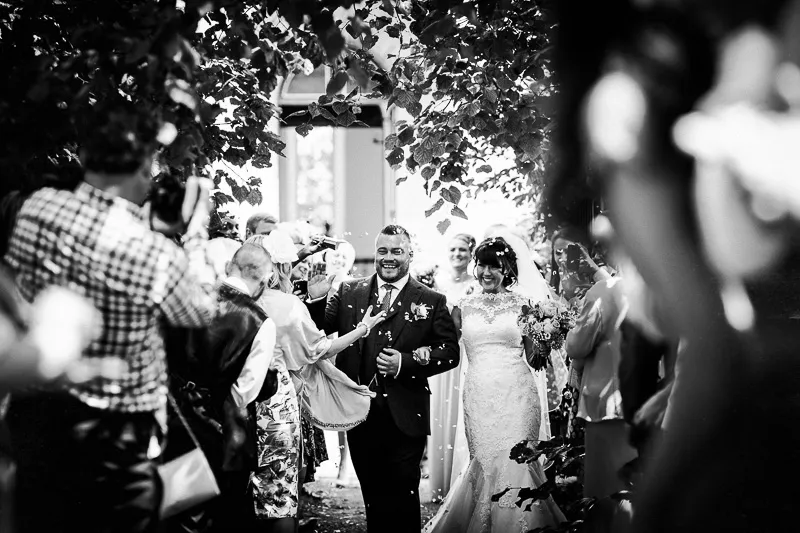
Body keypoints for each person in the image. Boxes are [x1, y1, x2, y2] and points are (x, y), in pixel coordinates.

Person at [3, 100, 217, 533]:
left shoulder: (36, 208)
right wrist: (194, 234)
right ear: (143, 167)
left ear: (86, 157)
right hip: (115, 441)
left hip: (34, 419)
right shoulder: (154, 255)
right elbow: (199, 311)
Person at [306, 224, 460, 533]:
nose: (388, 258)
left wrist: (405, 362)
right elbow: (317, 326)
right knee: (373, 497)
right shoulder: (351, 290)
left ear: (409, 255)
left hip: (407, 412)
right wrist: (316, 298)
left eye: (396, 251)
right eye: (383, 251)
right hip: (359, 412)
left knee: (403, 494)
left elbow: (449, 351)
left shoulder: (431, 299)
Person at [246, 231, 386, 533]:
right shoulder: (287, 305)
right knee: (279, 494)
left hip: (236, 399)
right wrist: (363, 327)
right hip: (275, 405)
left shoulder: (230, 301)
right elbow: (320, 349)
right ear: (279, 267)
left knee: (242, 490)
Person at [423, 237, 564, 533]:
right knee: (485, 461)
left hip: (518, 395)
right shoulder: (463, 307)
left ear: (507, 269)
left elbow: (535, 359)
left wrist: (546, 335)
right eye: (482, 265)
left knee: (517, 461)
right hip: (478, 395)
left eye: (494, 266)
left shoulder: (524, 306)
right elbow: (445, 347)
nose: (486, 272)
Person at [163, 243, 279, 533]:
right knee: (223, 518)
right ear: (264, 282)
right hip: (223, 434)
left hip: (174, 423)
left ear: (229, 266)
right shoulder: (260, 323)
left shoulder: (187, 298)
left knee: (179, 515)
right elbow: (245, 392)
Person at [566, 273, 638, 499]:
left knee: (607, 487)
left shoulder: (604, 291)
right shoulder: (669, 286)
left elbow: (576, 346)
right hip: (656, 398)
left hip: (608, 401)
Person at [429, 233, 479, 501]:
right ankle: (439, 483)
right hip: (439, 353)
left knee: (460, 411)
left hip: (464, 352)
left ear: (471, 254)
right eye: (453, 249)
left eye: (463, 249)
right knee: (439, 413)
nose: (457, 254)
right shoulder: (435, 282)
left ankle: (459, 481)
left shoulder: (475, 285)